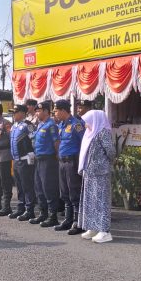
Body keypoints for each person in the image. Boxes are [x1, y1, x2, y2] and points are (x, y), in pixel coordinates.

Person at [78, 110, 116, 243]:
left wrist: (103, 163)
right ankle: (93, 227)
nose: (86, 124)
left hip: (100, 172)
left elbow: (111, 151)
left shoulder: (103, 132)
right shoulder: (90, 133)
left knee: (101, 201)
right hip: (89, 172)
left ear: (96, 120)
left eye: (88, 121)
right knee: (90, 200)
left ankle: (105, 231)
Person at [54, 99, 86, 234]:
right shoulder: (62, 125)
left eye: (56, 111)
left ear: (62, 110)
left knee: (74, 192)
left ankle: (77, 222)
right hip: (62, 162)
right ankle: (67, 220)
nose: (55, 113)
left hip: (72, 162)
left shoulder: (76, 124)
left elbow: (84, 143)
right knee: (64, 192)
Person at [32, 100, 61, 227]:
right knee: (39, 188)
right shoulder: (40, 125)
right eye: (36, 110)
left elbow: (56, 144)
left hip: (48, 160)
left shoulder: (51, 125)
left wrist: (56, 158)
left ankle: (52, 216)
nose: (37, 113)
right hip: (38, 159)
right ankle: (42, 214)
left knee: (49, 188)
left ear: (45, 111)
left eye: (38, 110)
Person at [9, 104, 37, 221]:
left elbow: (34, 141)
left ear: (22, 113)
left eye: (15, 112)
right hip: (15, 160)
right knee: (19, 186)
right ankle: (21, 208)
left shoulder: (27, 125)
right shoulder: (14, 126)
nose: (13, 114)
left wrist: (32, 155)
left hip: (25, 160)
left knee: (27, 186)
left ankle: (29, 210)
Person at [0, 103, 15, 216]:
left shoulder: (6, 123)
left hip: (4, 156)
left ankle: (6, 206)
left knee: (5, 182)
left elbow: (12, 139)